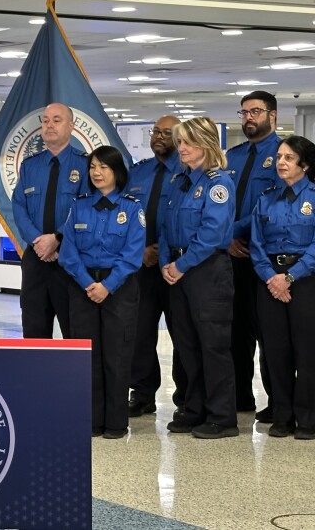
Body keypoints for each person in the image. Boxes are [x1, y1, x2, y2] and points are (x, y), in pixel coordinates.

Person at [59, 146, 145, 439]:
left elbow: (133, 255)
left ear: (117, 172)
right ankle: (92, 420)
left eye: (103, 167)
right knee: (87, 355)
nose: (96, 172)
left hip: (118, 288)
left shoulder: (132, 208)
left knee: (117, 355)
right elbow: (68, 253)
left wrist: (107, 286)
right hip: (83, 286)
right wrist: (88, 284)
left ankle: (117, 422)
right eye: (93, 167)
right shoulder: (78, 205)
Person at [160, 117, 237, 439]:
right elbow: (165, 227)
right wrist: (166, 263)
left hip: (207, 271)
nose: (181, 149)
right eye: (179, 143)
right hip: (177, 271)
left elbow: (211, 235)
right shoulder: (178, 181)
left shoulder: (218, 184)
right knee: (186, 346)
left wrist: (181, 265)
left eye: (188, 143)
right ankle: (193, 410)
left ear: (205, 143)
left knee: (213, 346)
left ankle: (221, 416)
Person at [249, 136, 315, 440]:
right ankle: (282, 415)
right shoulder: (266, 199)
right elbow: (256, 244)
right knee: (276, 351)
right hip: (270, 280)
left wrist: (289, 277)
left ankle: (308, 417)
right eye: (279, 157)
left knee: (307, 352)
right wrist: (272, 278)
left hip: (305, 280)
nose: (281, 163)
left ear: (305, 164)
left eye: (289, 158)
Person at [225, 90, 281, 423]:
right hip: (231, 257)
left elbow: (269, 206)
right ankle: (239, 396)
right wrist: (225, 236)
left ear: (272, 116)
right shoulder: (231, 157)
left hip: (264, 257)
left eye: (255, 112)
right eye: (244, 112)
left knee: (269, 333)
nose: (248, 117)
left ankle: (277, 401)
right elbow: (220, 204)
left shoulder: (284, 155)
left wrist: (232, 232)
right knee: (234, 330)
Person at [127, 116, 188, 419]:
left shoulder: (188, 173)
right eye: (156, 132)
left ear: (180, 138)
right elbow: (124, 213)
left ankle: (186, 396)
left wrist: (159, 251)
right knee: (140, 332)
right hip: (141, 265)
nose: (159, 137)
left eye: (167, 133)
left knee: (182, 332)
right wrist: (139, 251)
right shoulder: (138, 172)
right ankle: (142, 393)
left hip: (177, 266)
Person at [11, 102, 88, 338]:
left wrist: (57, 239)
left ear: (71, 126)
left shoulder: (85, 165)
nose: (49, 125)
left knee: (74, 331)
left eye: (57, 120)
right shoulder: (30, 166)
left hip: (71, 260)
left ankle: (71, 377)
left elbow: (85, 209)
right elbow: (18, 207)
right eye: (45, 120)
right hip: (36, 260)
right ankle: (33, 376)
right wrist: (38, 241)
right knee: (33, 331)